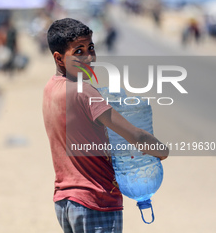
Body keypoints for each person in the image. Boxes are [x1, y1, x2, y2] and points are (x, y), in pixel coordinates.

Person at [42, 18, 169, 233]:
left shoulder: (51, 88)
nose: (89, 56)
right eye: (78, 51)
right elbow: (135, 136)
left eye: (90, 47)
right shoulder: (84, 92)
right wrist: (161, 151)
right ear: (59, 58)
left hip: (65, 201)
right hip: (95, 201)